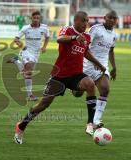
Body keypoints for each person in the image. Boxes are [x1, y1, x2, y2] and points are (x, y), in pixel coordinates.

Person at [13, 11, 106, 144]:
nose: (87, 23)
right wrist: (74, 37)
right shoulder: (67, 29)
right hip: (59, 76)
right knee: (43, 105)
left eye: (87, 21)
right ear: (77, 21)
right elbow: (59, 39)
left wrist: (99, 64)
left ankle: (90, 123)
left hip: (76, 75)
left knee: (90, 84)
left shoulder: (87, 36)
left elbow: (86, 52)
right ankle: (21, 126)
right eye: (84, 21)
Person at [73, 10, 118, 130]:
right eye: (110, 17)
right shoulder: (95, 29)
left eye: (114, 18)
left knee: (105, 89)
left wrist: (114, 67)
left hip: (102, 66)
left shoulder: (115, 35)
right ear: (105, 17)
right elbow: (85, 46)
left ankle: (95, 120)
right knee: (77, 93)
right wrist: (93, 62)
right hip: (87, 65)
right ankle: (73, 88)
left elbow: (111, 51)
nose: (112, 20)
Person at [7, 11, 50, 101]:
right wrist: (22, 46)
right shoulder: (26, 28)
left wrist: (44, 47)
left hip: (36, 53)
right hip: (26, 52)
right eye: (34, 18)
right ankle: (30, 95)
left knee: (26, 73)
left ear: (40, 19)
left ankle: (16, 61)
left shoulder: (44, 28)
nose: (36, 20)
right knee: (29, 73)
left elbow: (47, 37)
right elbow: (16, 39)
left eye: (38, 18)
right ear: (31, 18)